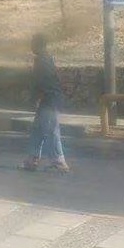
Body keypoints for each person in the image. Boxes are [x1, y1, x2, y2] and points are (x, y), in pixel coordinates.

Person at [21, 33, 70, 172]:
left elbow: (41, 83)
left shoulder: (42, 61)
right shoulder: (46, 59)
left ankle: (59, 161)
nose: (31, 46)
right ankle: (32, 159)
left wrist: (33, 98)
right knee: (38, 129)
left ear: (38, 44)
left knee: (51, 130)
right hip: (48, 100)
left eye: (33, 43)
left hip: (50, 100)